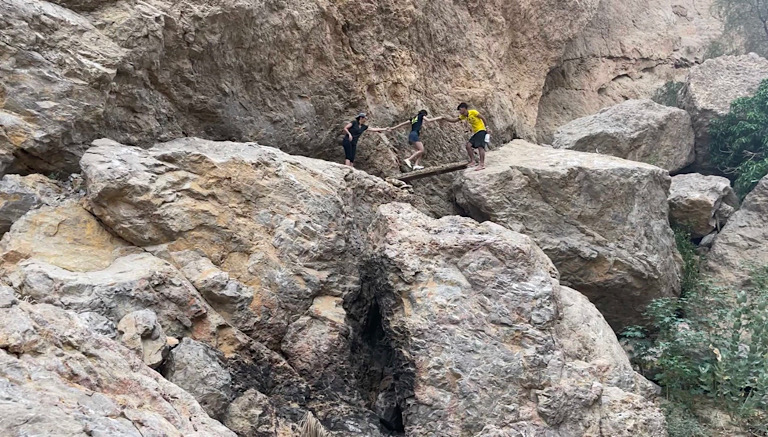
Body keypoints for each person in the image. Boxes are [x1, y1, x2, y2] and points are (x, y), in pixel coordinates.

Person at [443, 102, 489, 171]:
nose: (460, 111)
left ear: (464, 108)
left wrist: (487, 127)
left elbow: (483, 118)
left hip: (481, 130)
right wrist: (444, 118)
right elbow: (454, 120)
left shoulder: (473, 112)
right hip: (476, 132)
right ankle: (472, 161)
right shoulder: (464, 116)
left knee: (480, 147)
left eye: (460, 109)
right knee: (468, 146)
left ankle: (482, 164)